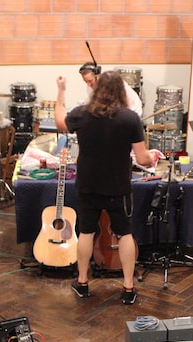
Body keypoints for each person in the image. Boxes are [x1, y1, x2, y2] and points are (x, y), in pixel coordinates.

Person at [55, 71, 156, 304]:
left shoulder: (82, 114)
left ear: (98, 90)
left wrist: (61, 92)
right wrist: (151, 157)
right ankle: (128, 287)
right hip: (117, 187)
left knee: (86, 232)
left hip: (88, 185)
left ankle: (82, 282)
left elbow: (60, 121)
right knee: (124, 234)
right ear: (121, 91)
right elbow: (142, 159)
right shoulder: (130, 118)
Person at [78, 63, 143, 118]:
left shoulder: (112, 84)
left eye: (90, 81)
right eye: (85, 81)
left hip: (132, 112)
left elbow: (119, 107)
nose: (88, 84)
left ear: (97, 76)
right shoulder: (90, 87)